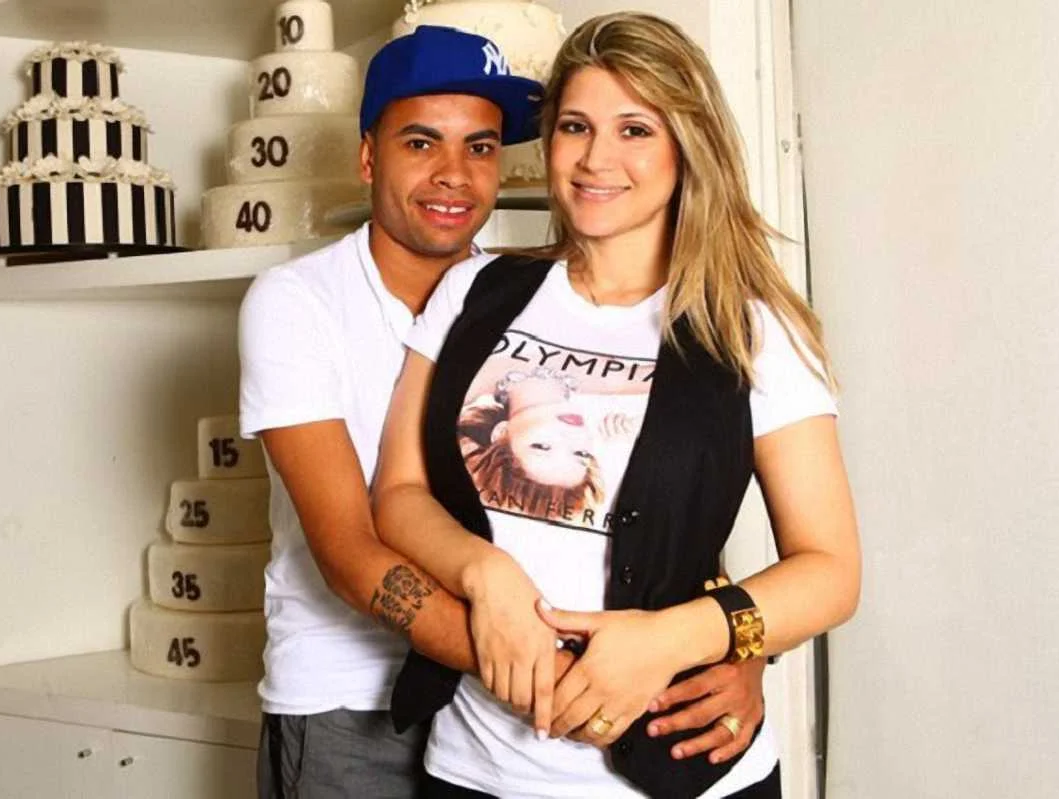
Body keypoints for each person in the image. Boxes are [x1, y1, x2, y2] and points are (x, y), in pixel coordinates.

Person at [241, 23, 770, 799]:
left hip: (495, 713)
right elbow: (351, 551)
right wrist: (563, 680)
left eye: (481, 147)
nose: (453, 175)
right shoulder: (297, 301)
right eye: (421, 143)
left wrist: (731, 647)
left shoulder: (519, 301)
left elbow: (649, 506)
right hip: (352, 703)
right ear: (368, 157)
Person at [372, 12, 861, 799]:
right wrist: (484, 573)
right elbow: (398, 494)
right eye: (576, 126)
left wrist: (673, 639)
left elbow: (831, 570)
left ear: (686, 146)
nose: (597, 158)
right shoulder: (475, 289)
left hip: (680, 774)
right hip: (475, 769)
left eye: (635, 129)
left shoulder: (751, 328)